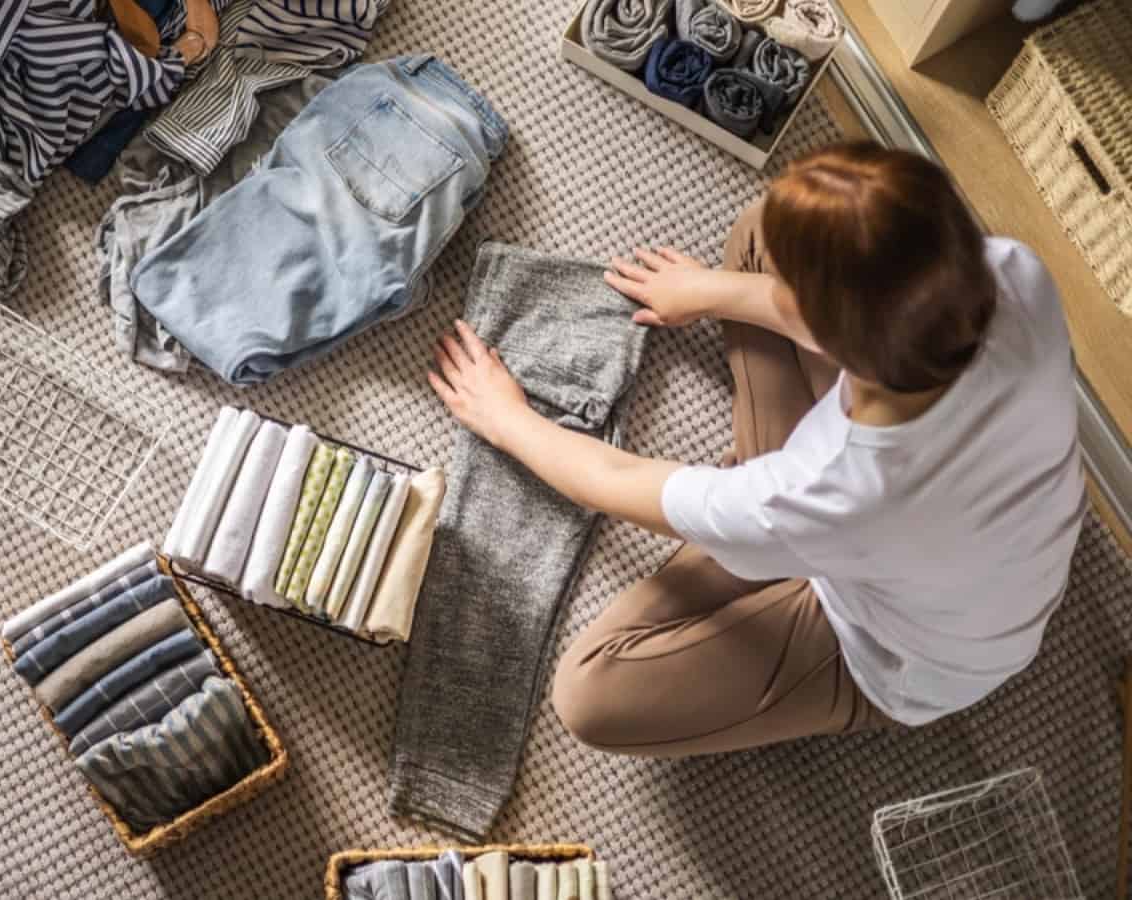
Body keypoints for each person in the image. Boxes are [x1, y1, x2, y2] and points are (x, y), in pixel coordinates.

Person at [426, 142, 1086, 757]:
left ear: (838, 338)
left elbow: (611, 478)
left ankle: (758, 533)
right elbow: (840, 305)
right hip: (941, 534)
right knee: (762, 232)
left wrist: (505, 417)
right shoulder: (1014, 274)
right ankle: (756, 528)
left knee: (590, 693)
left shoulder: (839, 485)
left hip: (901, 649)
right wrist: (713, 292)